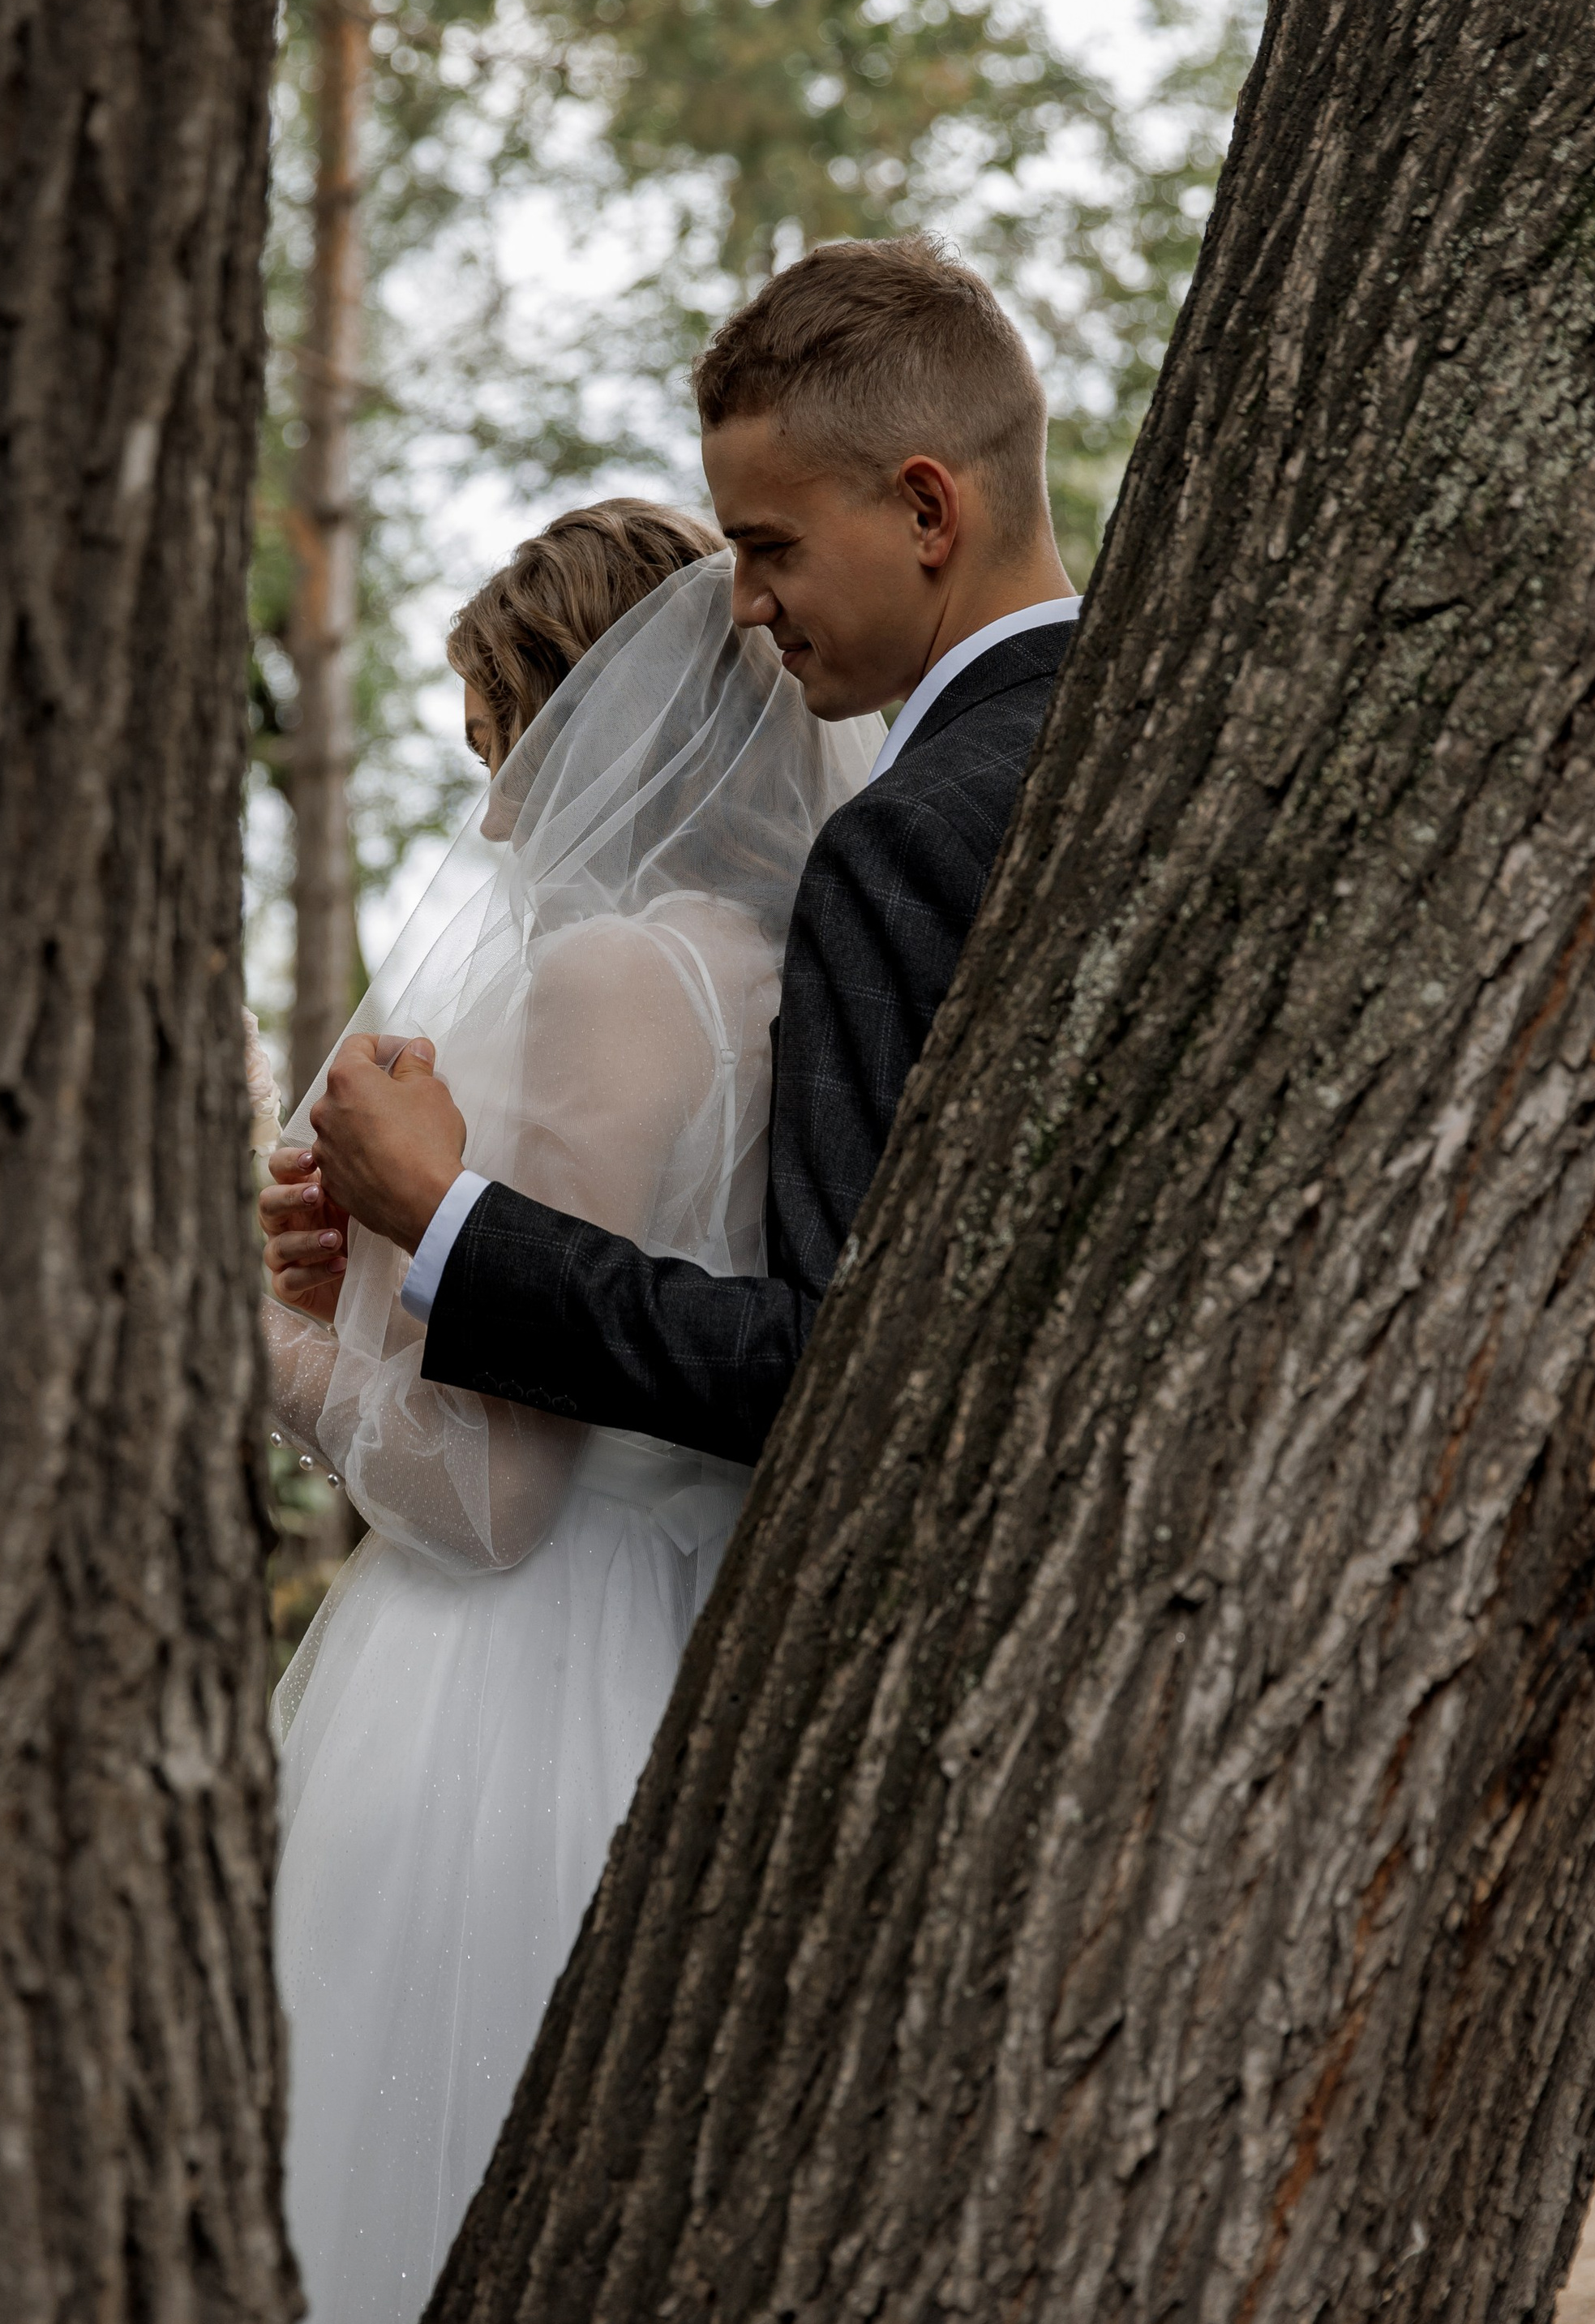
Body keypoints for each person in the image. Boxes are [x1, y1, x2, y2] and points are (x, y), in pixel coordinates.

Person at [259, 500, 879, 2324]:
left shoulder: (613, 980)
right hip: (688, 1641)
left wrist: (275, 1342)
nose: (490, 797)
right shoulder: (798, 967)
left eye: (496, 727)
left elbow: (489, 1494)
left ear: (588, 714)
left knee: (404, 2226)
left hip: (518, 1689)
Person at [276, 234, 1080, 1469]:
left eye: (771, 545)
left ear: (928, 509)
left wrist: (443, 1220)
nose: (745, 602)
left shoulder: (903, 839)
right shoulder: (1124, 733)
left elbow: (832, 1359)